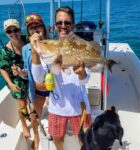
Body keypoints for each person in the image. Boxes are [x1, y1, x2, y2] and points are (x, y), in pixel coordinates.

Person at [31, 6, 92, 150]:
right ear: (54, 25)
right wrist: (35, 52)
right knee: (57, 138)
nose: (63, 26)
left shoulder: (81, 46)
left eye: (67, 22)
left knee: (84, 137)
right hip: (57, 107)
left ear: (73, 24)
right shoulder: (49, 46)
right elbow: (39, 78)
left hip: (80, 105)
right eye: (59, 23)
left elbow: (85, 80)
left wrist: (82, 73)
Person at [12, 14, 50, 150]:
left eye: (37, 26)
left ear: (43, 28)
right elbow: (29, 71)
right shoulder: (26, 49)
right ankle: (37, 138)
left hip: (55, 89)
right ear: (28, 32)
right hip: (38, 90)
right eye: (31, 28)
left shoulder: (52, 44)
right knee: (33, 116)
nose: (35, 30)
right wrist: (22, 73)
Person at [0, 19, 30, 138]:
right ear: (6, 33)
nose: (13, 33)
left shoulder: (27, 40)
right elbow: (2, 68)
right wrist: (10, 84)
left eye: (15, 30)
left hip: (29, 73)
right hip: (16, 79)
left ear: (20, 29)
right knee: (22, 105)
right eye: (9, 31)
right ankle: (24, 125)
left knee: (34, 99)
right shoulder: (5, 51)